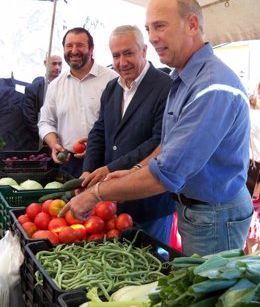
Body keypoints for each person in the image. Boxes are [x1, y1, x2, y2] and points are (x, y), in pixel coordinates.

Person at [60, 0, 253, 256]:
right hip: (196, 209)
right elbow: (168, 145)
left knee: (210, 294)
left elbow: (169, 171)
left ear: (192, 25)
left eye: (160, 26)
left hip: (215, 212)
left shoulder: (211, 86)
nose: (152, 36)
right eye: (149, 28)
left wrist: (96, 194)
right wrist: (135, 169)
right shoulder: (183, 78)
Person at [79, 25, 175, 243]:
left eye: (128, 53)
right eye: (116, 55)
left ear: (143, 50)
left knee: (151, 264)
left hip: (150, 204)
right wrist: (88, 171)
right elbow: (99, 132)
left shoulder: (166, 87)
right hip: (113, 203)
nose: (122, 62)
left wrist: (110, 169)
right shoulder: (112, 88)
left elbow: (158, 141)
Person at [38, 27, 118, 177]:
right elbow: (45, 122)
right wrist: (54, 144)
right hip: (70, 163)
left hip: (106, 161)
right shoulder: (56, 85)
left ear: (91, 49)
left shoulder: (112, 79)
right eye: (69, 46)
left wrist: (97, 145)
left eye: (80, 45)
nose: (74, 51)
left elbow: (122, 122)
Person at [23, 54, 63, 149]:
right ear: (45, 63)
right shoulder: (32, 89)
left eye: (60, 64)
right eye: (54, 64)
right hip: (42, 143)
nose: (57, 67)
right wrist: (49, 139)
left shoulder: (69, 86)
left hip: (66, 142)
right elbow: (30, 120)